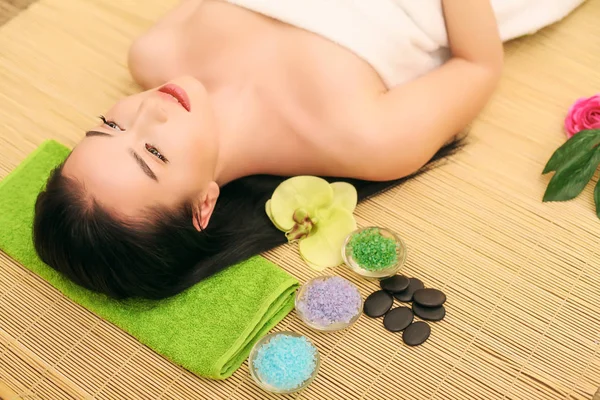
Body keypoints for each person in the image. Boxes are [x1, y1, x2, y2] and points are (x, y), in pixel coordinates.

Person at [33, 0, 504, 300]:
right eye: (154, 153)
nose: (148, 110)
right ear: (204, 204)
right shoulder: (368, 141)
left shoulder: (154, 51)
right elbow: (477, 64)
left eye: (110, 125)